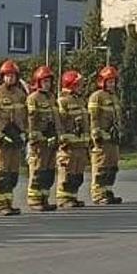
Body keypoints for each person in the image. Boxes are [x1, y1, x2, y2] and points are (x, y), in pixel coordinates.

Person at [0, 59, 30, 216]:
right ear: (2, 77)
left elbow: (25, 117)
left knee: (12, 174)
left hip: (15, 140)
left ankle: (8, 203)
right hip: (1, 142)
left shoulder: (20, 95)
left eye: (13, 76)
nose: (10, 79)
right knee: (1, 173)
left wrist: (25, 133)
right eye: (7, 76)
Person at [24, 65, 61, 212]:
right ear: (38, 82)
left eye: (49, 81)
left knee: (48, 172)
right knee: (38, 171)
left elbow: (56, 119)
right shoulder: (33, 98)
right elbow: (31, 120)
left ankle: (44, 198)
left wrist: (58, 135)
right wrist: (38, 136)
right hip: (39, 142)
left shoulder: (52, 97)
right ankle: (34, 200)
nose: (47, 84)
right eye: (44, 81)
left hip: (51, 141)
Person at [88, 65, 124, 205]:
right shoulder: (96, 97)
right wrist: (96, 134)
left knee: (112, 166)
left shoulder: (114, 97)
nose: (112, 84)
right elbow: (93, 118)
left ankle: (107, 191)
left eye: (113, 81)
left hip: (112, 138)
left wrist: (120, 131)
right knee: (101, 166)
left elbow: (117, 117)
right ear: (102, 81)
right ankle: (98, 193)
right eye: (109, 82)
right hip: (102, 139)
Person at [54, 70, 91, 209]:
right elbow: (60, 123)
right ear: (70, 85)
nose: (81, 87)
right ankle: (63, 198)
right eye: (78, 84)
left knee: (77, 174)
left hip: (80, 145)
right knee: (67, 173)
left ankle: (73, 197)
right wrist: (64, 139)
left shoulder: (80, 100)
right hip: (68, 146)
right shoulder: (62, 101)